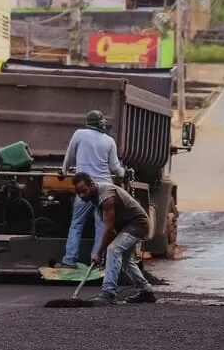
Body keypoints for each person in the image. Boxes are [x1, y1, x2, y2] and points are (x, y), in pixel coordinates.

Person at [58, 110, 126, 269]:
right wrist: (123, 173)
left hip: (84, 189)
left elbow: (69, 156)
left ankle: (69, 260)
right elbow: (115, 167)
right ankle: (96, 261)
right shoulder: (109, 141)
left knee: (76, 224)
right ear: (102, 123)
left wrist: (64, 171)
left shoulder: (79, 134)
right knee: (101, 226)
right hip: (104, 190)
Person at [73, 172, 154, 305]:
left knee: (113, 249)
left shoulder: (106, 196)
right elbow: (112, 228)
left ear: (92, 185)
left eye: (84, 191)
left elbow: (109, 229)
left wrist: (99, 253)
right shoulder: (93, 197)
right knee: (125, 260)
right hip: (125, 226)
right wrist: (101, 252)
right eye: (78, 193)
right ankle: (146, 291)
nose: (82, 196)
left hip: (138, 224)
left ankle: (108, 293)